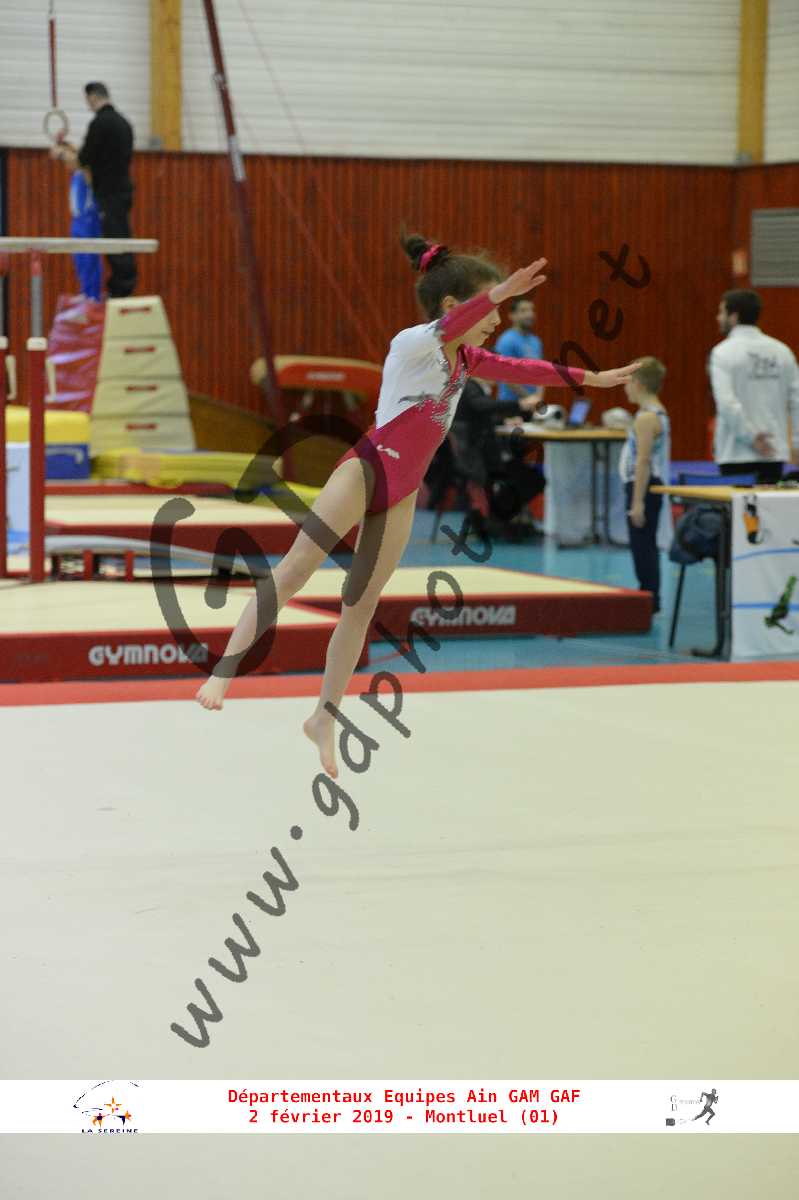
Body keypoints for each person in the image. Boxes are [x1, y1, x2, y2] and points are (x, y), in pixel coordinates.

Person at [196, 233, 640, 777]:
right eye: (488, 310)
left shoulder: (466, 360)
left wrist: (592, 377)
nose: (495, 320)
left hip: (403, 490)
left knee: (360, 606)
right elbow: (458, 325)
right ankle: (223, 671)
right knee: (294, 571)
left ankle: (323, 717)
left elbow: (525, 371)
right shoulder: (412, 343)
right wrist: (502, 291)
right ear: (453, 306)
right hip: (365, 471)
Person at [51, 82, 137, 298]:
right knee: (119, 240)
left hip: (108, 195)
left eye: (87, 100)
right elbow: (94, 156)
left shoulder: (99, 124)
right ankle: (120, 289)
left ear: (92, 97)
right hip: (122, 191)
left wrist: (61, 153)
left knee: (114, 244)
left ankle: (120, 291)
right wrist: (69, 147)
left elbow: (84, 160)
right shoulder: (124, 124)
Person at [709, 290, 799, 484]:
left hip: (735, 452)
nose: (718, 318)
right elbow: (796, 401)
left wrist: (751, 437)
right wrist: (797, 443)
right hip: (773, 450)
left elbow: (726, 403)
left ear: (734, 316)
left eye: (721, 312)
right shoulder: (782, 352)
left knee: (737, 505)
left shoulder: (722, 353)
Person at [448, 377, 545, 538]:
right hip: (480, 462)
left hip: (474, 460)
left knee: (523, 472)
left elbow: (480, 416)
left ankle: (498, 518)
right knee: (532, 478)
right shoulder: (471, 387)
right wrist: (519, 404)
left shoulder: (470, 387)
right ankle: (498, 518)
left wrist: (504, 420)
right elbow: (480, 405)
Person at [619, 356, 669, 614]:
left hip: (643, 487)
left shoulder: (647, 417)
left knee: (642, 546)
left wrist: (637, 502)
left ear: (638, 384)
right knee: (645, 544)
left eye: (627, 382)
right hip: (646, 485)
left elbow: (643, 461)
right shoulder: (654, 412)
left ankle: (649, 598)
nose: (625, 388)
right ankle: (650, 597)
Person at [494, 297, 546, 409]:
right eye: (523, 311)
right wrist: (530, 398)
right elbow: (504, 374)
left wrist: (538, 397)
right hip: (511, 405)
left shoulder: (536, 341)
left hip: (533, 405)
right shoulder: (506, 340)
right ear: (511, 315)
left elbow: (541, 371)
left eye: (531, 310)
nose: (529, 314)